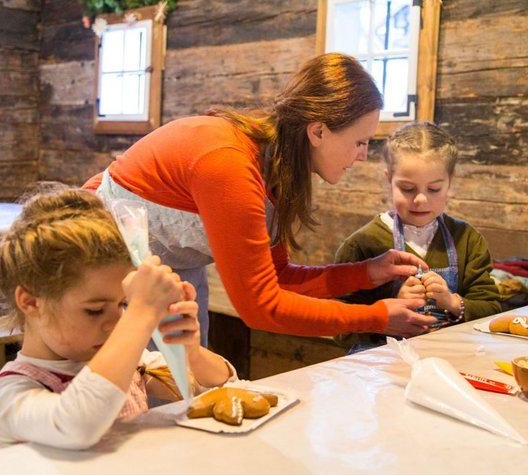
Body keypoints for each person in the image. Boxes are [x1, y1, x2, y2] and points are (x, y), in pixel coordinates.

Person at [83, 52, 435, 343]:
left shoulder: (277, 168)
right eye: (360, 142)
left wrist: (366, 273)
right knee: (127, 399)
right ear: (318, 131)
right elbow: (260, 307)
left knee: (180, 389)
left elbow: (276, 278)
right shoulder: (230, 166)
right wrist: (376, 317)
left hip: (170, 267)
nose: (362, 156)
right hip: (100, 257)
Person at [0, 187, 235, 450]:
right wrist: (141, 311)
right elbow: (78, 424)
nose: (116, 323)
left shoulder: (136, 363)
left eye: (123, 304)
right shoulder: (7, 395)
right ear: (31, 302)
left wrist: (190, 350)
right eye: (95, 310)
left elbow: (221, 388)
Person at [334, 121, 501, 351]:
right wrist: (383, 314)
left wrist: (453, 302)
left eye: (433, 189)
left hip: (448, 361)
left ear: (449, 182)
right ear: (388, 179)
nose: (421, 200)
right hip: (379, 371)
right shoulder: (362, 245)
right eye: (407, 189)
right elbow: (339, 325)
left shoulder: (467, 240)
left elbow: (492, 309)